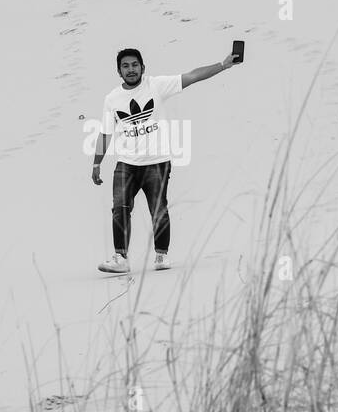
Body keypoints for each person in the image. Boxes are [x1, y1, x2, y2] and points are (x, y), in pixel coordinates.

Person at [92, 46, 239, 273]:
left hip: (157, 162)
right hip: (126, 163)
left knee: (158, 209)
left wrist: (222, 65)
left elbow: (192, 76)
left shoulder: (156, 86)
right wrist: (96, 163)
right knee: (119, 208)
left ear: (143, 67)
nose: (130, 70)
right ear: (118, 71)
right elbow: (105, 133)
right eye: (125, 66)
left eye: (134, 65)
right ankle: (121, 258)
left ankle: (161, 256)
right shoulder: (112, 99)